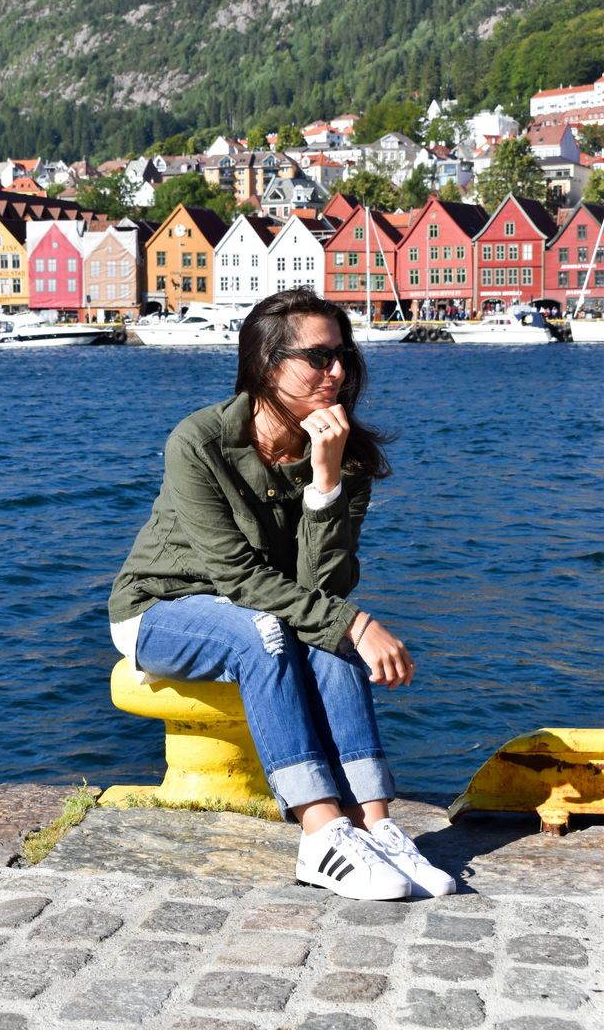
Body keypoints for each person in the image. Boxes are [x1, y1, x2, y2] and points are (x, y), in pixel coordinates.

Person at [109, 287, 455, 901]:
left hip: (263, 606)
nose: (339, 372)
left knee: (327, 632)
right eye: (318, 358)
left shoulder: (345, 453)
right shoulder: (201, 441)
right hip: (160, 609)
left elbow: (322, 589)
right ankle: (320, 832)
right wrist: (354, 623)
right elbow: (240, 580)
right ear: (269, 364)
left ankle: (373, 823)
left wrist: (325, 481)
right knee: (279, 628)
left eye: (343, 355)